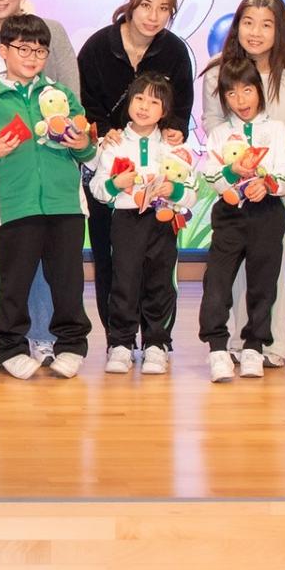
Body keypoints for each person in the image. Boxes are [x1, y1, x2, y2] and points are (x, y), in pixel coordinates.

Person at [0, 14, 96, 380]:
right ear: (3, 51)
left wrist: (81, 143)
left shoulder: (61, 95)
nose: (33, 57)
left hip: (65, 204)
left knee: (68, 283)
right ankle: (10, 347)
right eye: (23, 49)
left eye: (40, 50)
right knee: (13, 284)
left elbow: (88, 150)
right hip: (13, 206)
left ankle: (71, 345)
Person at [199, 0, 285, 368]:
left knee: (270, 267)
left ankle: (271, 344)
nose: (255, 32)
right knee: (233, 267)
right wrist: (236, 166)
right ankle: (241, 341)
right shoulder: (218, 72)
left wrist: (275, 167)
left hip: (283, 187)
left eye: (266, 25)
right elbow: (213, 123)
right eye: (248, 23)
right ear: (237, 26)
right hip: (236, 187)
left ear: (279, 30)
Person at [77, 0, 194, 355]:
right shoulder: (98, 46)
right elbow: (84, 102)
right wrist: (102, 132)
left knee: (158, 263)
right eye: (146, 5)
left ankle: (157, 339)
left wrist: (175, 130)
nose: (153, 16)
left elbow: (181, 106)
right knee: (111, 259)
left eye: (164, 8)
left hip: (156, 176)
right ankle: (119, 340)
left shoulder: (174, 51)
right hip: (110, 162)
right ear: (131, 2)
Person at [197, 59, 285, 383]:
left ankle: (254, 347)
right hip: (229, 216)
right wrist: (231, 172)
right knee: (217, 282)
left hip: (267, 213)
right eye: (231, 93)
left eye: (247, 90)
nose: (240, 100)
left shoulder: (277, 130)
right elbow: (211, 175)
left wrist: (267, 184)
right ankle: (218, 350)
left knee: (263, 284)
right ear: (223, 98)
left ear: (259, 91)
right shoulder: (219, 134)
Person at [85, 72, 193, 376]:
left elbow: (192, 191)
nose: (145, 106)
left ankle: (157, 344)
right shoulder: (114, 143)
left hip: (163, 222)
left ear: (165, 110)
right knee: (123, 281)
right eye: (139, 98)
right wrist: (116, 184)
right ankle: (120, 343)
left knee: (160, 283)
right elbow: (97, 188)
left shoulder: (173, 146)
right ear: (129, 102)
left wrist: (174, 191)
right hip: (126, 222)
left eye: (154, 102)